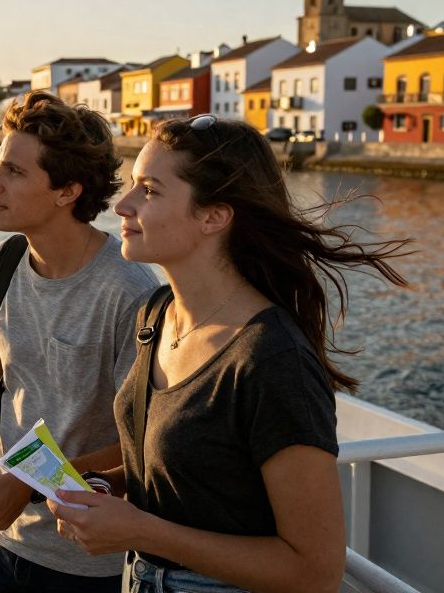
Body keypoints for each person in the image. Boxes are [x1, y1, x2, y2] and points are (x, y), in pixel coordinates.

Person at [46, 114, 411, 593]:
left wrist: (141, 531)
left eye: (150, 190)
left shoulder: (272, 359)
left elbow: (316, 572)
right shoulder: (156, 315)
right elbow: (189, 477)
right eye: (132, 184)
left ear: (214, 216)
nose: (122, 204)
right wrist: (106, 488)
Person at [0, 92, 158, 593]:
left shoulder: (130, 292)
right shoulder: (0, 265)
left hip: (81, 561)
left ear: (66, 191)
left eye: (13, 172)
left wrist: (27, 487)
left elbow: (142, 445)